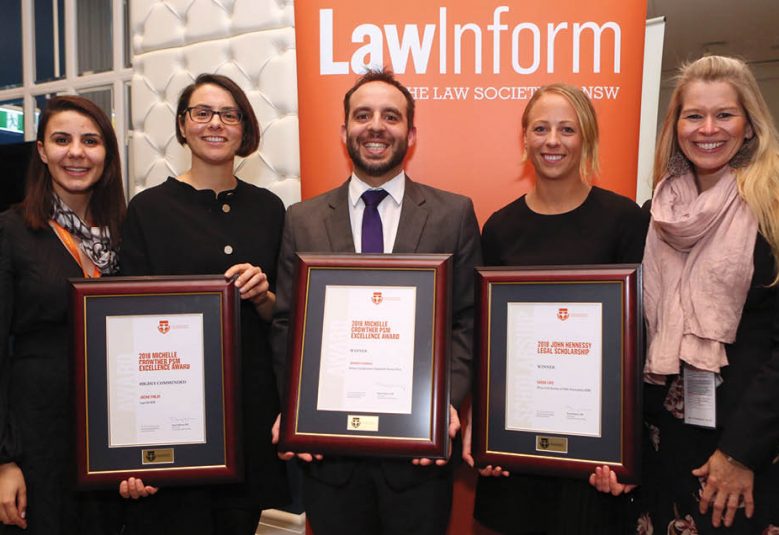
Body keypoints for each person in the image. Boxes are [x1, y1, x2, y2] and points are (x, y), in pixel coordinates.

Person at [270, 67, 482, 535]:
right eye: (362, 115)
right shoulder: (301, 220)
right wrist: (296, 406)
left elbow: (466, 319)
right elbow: (288, 324)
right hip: (330, 458)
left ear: (411, 132)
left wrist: (444, 400)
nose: (376, 127)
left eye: (391, 116)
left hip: (418, 458)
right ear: (344, 130)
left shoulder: (454, 213)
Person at [590, 55, 779, 534]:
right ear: (675, 126)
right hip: (660, 446)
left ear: (750, 125)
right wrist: (620, 445)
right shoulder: (657, 213)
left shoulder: (773, 209)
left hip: (742, 453)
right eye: (693, 115)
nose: (707, 129)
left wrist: (741, 452)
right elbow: (633, 336)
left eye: (724, 115)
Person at [463, 83, 649, 534]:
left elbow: (639, 339)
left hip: (593, 452)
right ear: (524, 137)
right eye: (541, 128)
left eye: (567, 129)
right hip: (517, 445)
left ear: (585, 137)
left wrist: (626, 445)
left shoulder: (625, 220)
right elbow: (490, 339)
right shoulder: (501, 227)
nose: (553, 141)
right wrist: (482, 424)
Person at [118, 73, 289, 534]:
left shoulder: (272, 209)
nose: (216, 123)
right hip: (171, 417)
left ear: (244, 129)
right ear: (182, 124)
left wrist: (264, 295)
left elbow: (284, 318)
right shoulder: (148, 209)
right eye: (202, 112)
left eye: (229, 114)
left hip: (249, 415)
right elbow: (127, 329)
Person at [0, 96, 126, 533]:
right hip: (37, 438)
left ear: (107, 154)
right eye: (61, 140)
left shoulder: (128, 235)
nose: (76, 152)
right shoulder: (11, 232)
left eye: (90, 141)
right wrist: (4, 461)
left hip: (115, 432)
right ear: (41, 151)